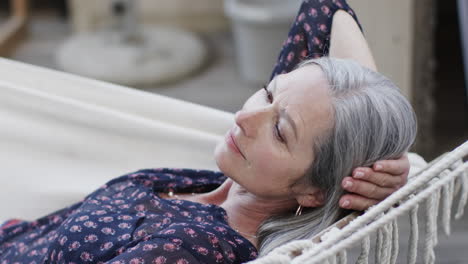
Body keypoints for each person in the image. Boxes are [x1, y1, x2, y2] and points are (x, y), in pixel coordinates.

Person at [0, 0, 416, 263]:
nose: (245, 118)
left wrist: (355, 167)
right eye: (267, 94)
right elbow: (324, 9)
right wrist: (376, 157)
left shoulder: (192, 247)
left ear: (313, 193)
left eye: (281, 132)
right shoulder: (236, 184)